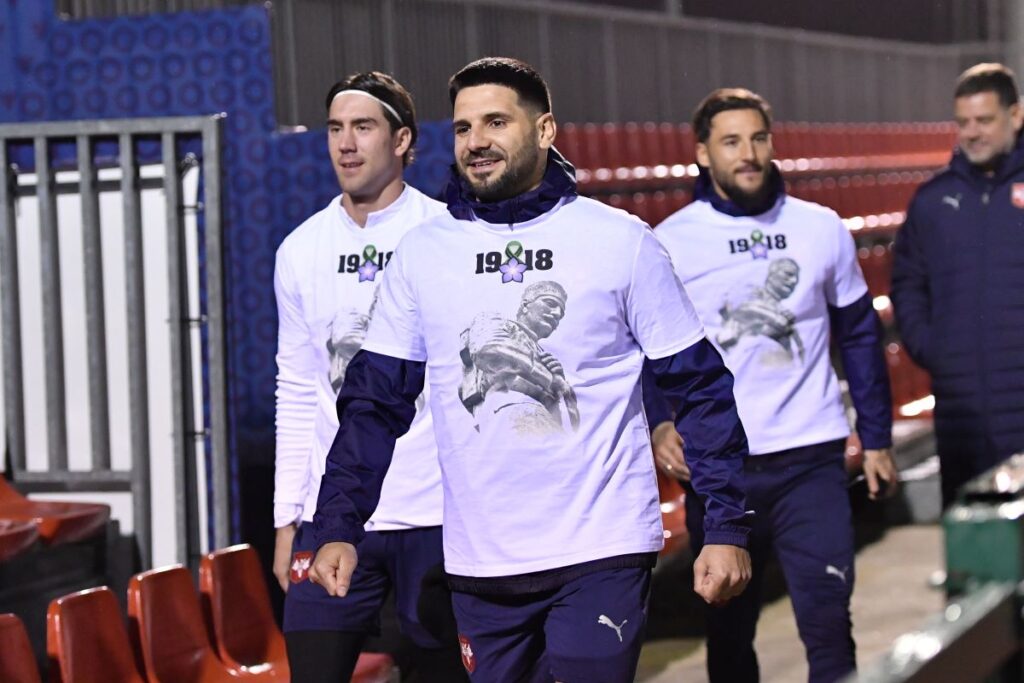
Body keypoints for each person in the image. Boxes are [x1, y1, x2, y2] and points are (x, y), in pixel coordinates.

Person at [309, 57, 753, 683]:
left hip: (603, 549)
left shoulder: (621, 241)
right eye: (463, 128)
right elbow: (373, 405)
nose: (477, 142)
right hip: (480, 563)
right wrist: (338, 524)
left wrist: (725, 525)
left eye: (496, 122)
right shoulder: (421, 255)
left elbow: (701, 387)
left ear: (545, 131)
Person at [649, 88, 899, 683]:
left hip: (811, 462)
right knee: (730, 641)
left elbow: (859, 337)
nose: (749, 154)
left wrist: (878, 435)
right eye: (731, 141)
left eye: (758, 138)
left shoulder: (822, 228)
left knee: (828, 626)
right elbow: (645, 351)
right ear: (703, 154)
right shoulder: (669, 241)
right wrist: (659, 421)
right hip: (720, 472)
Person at [272, 71, 464, 682]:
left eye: (363, 127)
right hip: (333, 517)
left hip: (436, 514)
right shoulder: (300, 251)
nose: (345, 144)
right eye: (335, 128)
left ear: (403, 140)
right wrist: (288, 518)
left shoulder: (450, 236)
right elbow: (298, 389)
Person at [891, 62, 1024, 507]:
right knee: (977, 552)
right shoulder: (932, 202)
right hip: (963, 413)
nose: (972, 133)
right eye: (963, 122)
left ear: (1016, 116)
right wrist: (933, 348)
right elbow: (907, 283)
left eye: (984, 120)